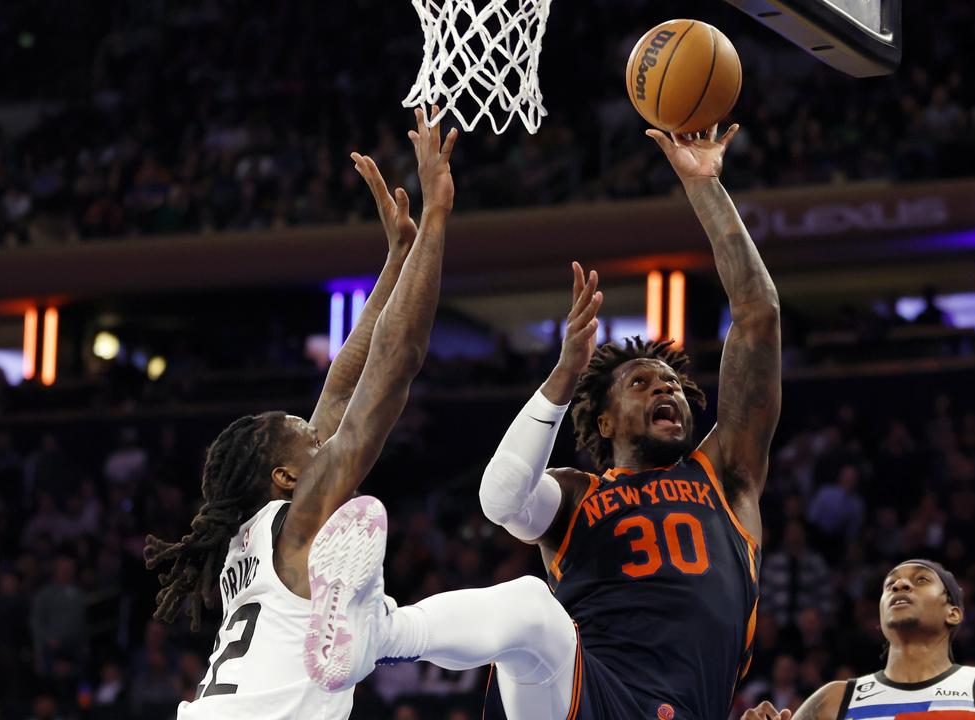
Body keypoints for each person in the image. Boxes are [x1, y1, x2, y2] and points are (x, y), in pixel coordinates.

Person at [315, 122, 781, 720]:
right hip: (587, 700)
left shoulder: (727, 475)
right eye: (640, 383)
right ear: (605, 423)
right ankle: (375, 637)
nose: (666, 388)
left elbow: (757, 313)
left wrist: (705, 186)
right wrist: (563, 374)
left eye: (673, 385)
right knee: (534, 610)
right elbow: (501, 501)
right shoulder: (576, 496)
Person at [142, 107, 458, 719]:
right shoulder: (297, 523)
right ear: (285, 479)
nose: (325, 438)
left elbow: (341, 390)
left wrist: (397, 259)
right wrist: (439, 217)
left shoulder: (256, 538)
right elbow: (394, 367)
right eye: (310, 441)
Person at [743, 560, 975, 720]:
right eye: (890, 585)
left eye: (921, 580)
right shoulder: (833, 699)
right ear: (879, 619)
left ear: (953, 613)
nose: (900, 584)